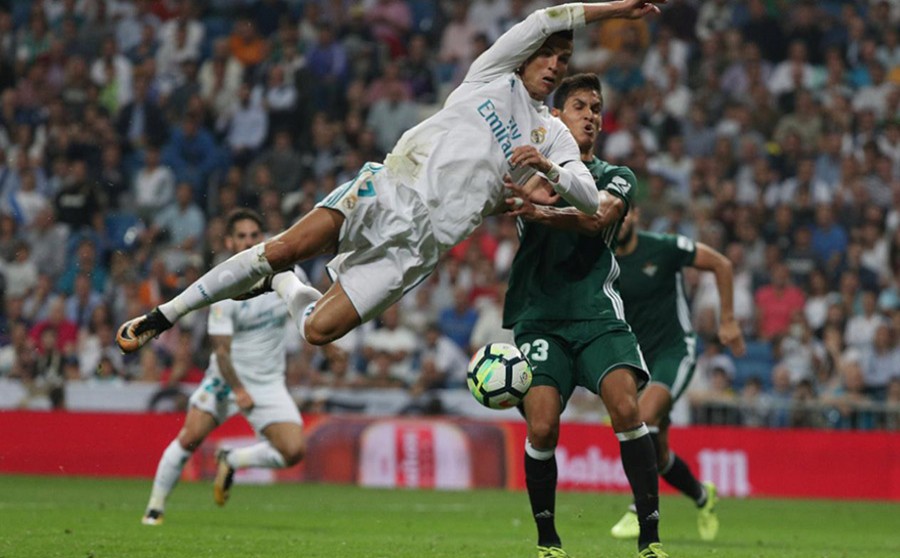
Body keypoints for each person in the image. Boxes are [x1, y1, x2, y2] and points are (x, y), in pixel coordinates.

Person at [116, 1, 667, 356]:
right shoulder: (490, 76)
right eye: (547, 54)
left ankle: (282, 288)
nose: (553, 61)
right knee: (284, 247)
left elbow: (589, 198)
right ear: (526, 58)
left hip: (418, 249)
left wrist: (546, 168)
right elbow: (545, 18)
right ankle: (163, 315)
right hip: (386, 191)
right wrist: (614, 10)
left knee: (316, 331)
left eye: (562, 58)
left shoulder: (551, 136)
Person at [501, 73, 674, 558]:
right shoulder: (530, 171)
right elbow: (505, 200)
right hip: (540, 318)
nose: (592, 116)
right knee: (543, 427)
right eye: (580, 106)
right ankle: (549, 547)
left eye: (597, 108)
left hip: (597, 315)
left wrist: (540, 208)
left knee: (627, 408)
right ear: (556, 117)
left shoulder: (617, 174)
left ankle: (651, 543)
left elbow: (598, 218)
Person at [141, 209, 309, 526]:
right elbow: (220, 349)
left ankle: (233, 459)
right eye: (242, 236)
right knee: (189, 438)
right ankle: (155, 508)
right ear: (230, 242)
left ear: (263, 238)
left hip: (268, 382)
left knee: (294, 450)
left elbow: (306, 311)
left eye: (254, 235)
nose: (249, 241)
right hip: (226, 378)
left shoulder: (290, 273)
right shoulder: (224, 288)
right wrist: (239, 389)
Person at [608, 205, 746, 541]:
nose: (620, 219)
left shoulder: (664, 247)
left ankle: (638, 510)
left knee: (641, 417)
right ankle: (703, 496)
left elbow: (721, 264)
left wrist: (727, 320)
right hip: (637, 358)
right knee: (660, 454)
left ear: (636, 215)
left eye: (624, 212)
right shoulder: (603, 258)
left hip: (675, 351)